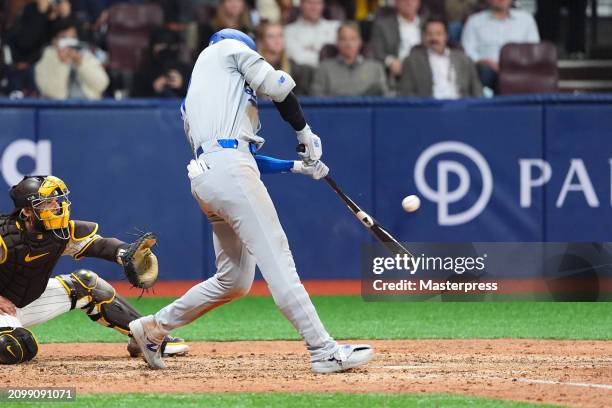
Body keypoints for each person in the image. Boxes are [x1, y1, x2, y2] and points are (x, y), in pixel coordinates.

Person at [128, 28, 374, 373]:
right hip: (229, 172)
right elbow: (280, 87)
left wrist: (297, 167)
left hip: (208, 178)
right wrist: (304, 131)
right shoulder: (229, 48)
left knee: (234, 280)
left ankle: (152, 328)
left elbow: (236, 154)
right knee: (278, 259)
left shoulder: (197, 96)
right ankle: (324, 351)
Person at [0, 175, 188, 365]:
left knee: (86, 284)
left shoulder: (59, 233)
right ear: (27, 211)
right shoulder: (5, 236)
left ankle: (147, 336)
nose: (56, 206)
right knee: (14, 347)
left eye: (56, 200)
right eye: (47, 202)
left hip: (23, 304)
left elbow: (98, 244)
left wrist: (125, 253)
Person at [461, 0, 540, 91]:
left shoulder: (526, 19)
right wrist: (484, 62)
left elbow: (533, 50)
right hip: (487, 70)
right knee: (484, 73)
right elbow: (468, 52)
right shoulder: (474, 21)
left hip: (519, 69)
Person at [398, 17, 482, 98]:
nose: (434, 38)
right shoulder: (412, 62)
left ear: (446, 36)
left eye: (438, 34)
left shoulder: (464, 60)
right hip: (429, 108)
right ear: (424, 37)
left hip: (460, 107)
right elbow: (407, 94)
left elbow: (477, 91)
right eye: (429, 34)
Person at [34, 19, 109, 100]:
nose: (69, 42)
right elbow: (54, 94)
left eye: (73, 37)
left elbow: (102, 85)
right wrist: (62, 63)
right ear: (54, 41)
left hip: (87, 107)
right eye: (64, 38)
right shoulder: (46, 58)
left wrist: (81, 63)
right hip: (57, 109)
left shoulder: (84, 55)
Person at [310, 22, 387, 96]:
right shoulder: (324, 68)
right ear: (337, 42)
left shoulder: (376, 68)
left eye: (353, 39)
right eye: (343, 39)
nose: (348, 44)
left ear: (360, 42)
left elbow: (385, 99)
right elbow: (316, 98)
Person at [370, 0, 423, 82]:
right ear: (396, 2)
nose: (408, 2)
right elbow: (377, 52)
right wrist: (391, 61)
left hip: (424, 72)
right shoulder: (382, 25)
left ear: (419, 2)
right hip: (399, 73)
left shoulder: (427, 24)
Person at [255, 21, 313, 95]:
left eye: (280, 35)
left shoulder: (294, 67)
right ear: (261, 42)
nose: (277, 40)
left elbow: (300, 97)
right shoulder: (253, 67)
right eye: (271, 36)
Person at [131, 29, 191, 98]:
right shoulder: (144, 72)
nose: (166, 50)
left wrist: (183, 85)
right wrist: (154, 88)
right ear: (153, 47)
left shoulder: (187, 70)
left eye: (171, 46)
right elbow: (134, 101)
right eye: (161, 46)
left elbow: (198, 98)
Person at [283, 0, 340, 67]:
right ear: (301, 4)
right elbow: (298, 58)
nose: (314, 7)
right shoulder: (288, 31)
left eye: (318, 3)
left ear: (323, 5)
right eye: (309, 3)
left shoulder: (336, 27)